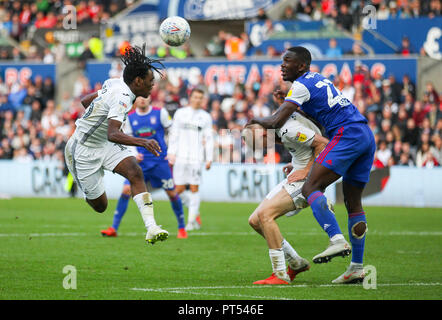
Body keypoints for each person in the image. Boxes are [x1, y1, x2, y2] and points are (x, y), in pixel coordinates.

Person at [249, 46, 376, 284]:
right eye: (282, 60)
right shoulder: (316, 80)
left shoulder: (300, 86)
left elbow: (276, 120)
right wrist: (287, 102)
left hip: (346, 134)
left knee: (310, 187)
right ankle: (357, 267)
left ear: (302, 66)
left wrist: (253, 120)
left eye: (288, 61)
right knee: (353, 202)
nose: (282, 65)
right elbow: (318, 116)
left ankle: (336, 239)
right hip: (364, 134)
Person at [64, 44, 169, 245]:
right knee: (100, 206)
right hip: (82, 150)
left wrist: (99, 116)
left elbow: (87, 101)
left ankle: (152, 227)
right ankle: (88, 188)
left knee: (135, 172)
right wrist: (143, 142)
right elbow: (113, 133)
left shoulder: (114, 83)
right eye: (150, 81)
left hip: (103, 142)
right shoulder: (122, 97)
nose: (152, 85)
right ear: (137, 81)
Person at [246, 111, 330, 285]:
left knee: (265, 215)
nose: (263, 149)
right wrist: (297, 164)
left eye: (260, 145)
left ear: (263, 134)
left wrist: (306, 169)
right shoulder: (277, 126)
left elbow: (324, 143)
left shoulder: (288, 130)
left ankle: (280, 274)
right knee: (255, 220)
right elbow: (303, 144)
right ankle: (296, 262)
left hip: (307, 181)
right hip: (297, 175)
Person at [100, 96, 187, 239]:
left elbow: (174, 133)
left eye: (145, 97)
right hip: (140, 163)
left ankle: (182, 228)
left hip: (160, 161)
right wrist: (134, 153)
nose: (142, 100)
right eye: (139, 98)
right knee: (126, 190)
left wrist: (172, 152)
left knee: (171, 193)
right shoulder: (130, 118)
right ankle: (113, 228)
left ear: (149, 98)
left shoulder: (161, 113)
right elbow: (127, 138)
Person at [167, 88, 214, 231]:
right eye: (195, 97)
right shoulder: (180, 113)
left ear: (203, 99)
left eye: (200, 97)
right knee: (178, 191)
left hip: (196, 157)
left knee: (194, 188)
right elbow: (173, 134)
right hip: (180, 156)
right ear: (190, 97)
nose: (197, 100)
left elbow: (209, 138)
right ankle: (196, 212)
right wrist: (171, 153)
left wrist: (209, 158)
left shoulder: (205, 117)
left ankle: (191, 221)